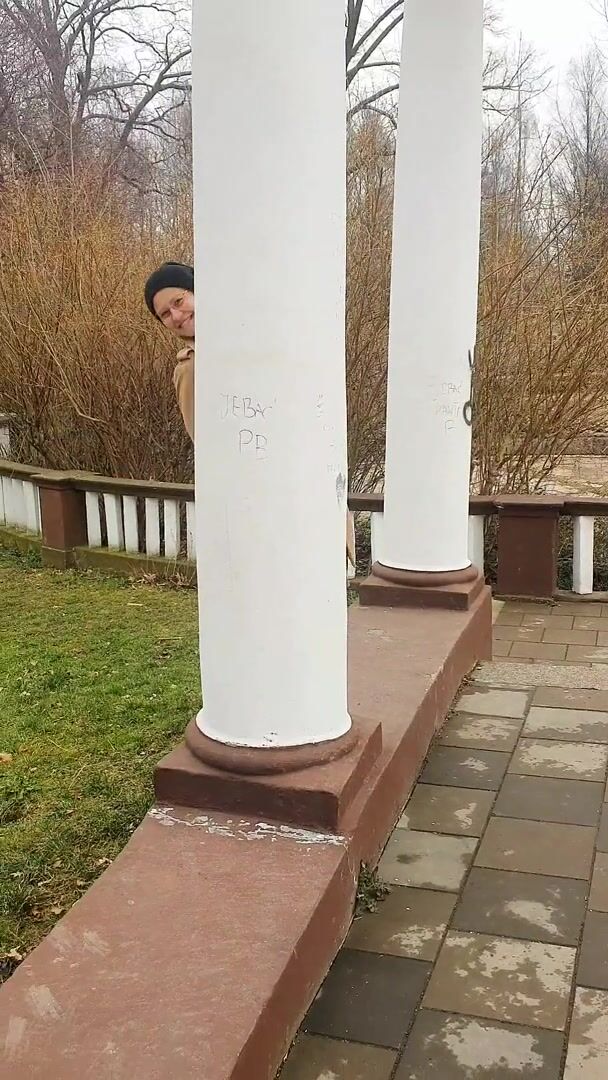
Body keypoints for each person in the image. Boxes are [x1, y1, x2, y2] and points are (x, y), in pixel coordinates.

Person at [144, 260, 356, 570]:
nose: (176, 316)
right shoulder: (191, 370)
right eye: (165, 314)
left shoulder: (258, 336)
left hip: (312, 483)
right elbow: (207, 442)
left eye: (179, 301)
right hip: (260, 504)